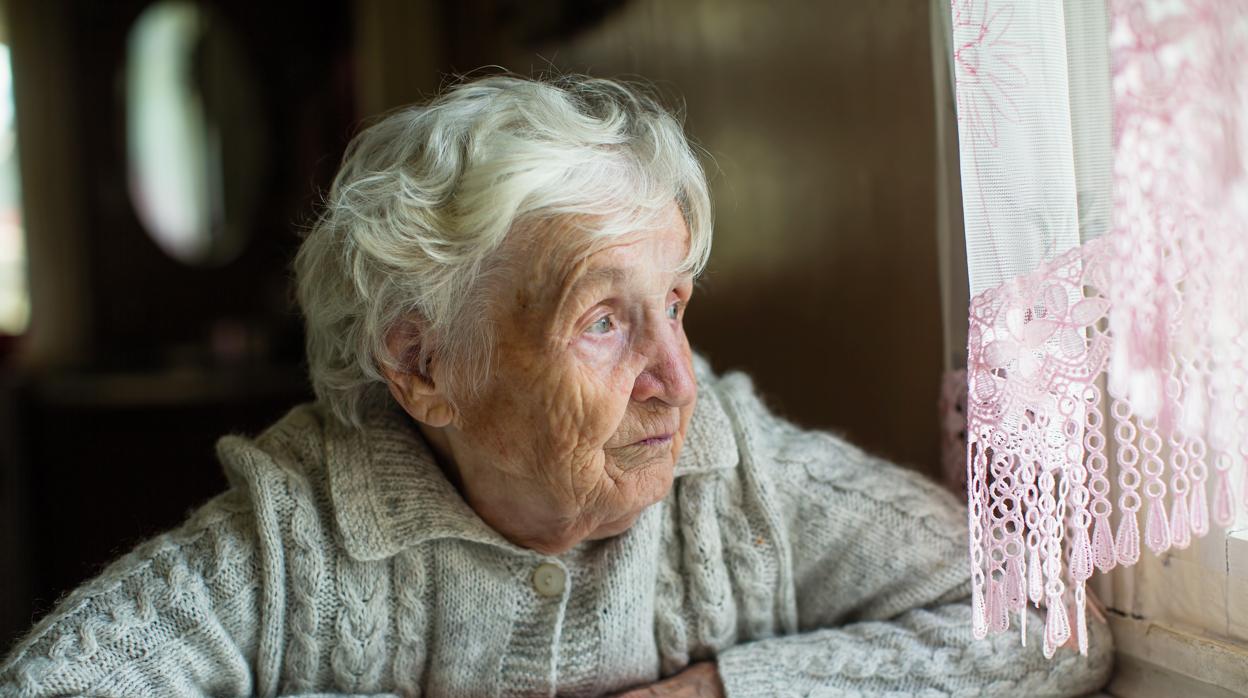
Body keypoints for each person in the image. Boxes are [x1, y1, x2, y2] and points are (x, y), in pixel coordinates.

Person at [0, 74, 1113, 697]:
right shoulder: (308, 530)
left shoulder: (733, 473)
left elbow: (1046, 625)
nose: (677, 380)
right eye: (602, 319)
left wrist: (710, 695)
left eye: (674, 302)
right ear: (424, 365)